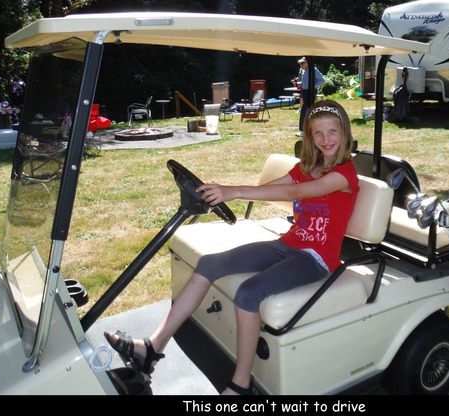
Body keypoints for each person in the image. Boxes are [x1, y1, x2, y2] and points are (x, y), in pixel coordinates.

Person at [104, 99, 359, 396]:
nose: (326, 139)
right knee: (210, 263)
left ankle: (241, 385)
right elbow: (272, 187)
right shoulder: (306, 167)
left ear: (344, 133)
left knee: (249, 293)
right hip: (288, 243)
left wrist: (233, 192)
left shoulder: (344, 175)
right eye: (318, 133)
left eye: (333, 131)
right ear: (310, 136)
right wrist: (222, 192)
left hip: (315, 258)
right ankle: (152, 348)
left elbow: (294, 191)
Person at [292, 57, 325, 137]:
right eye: (300, 64)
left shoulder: (313, 69)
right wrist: (297, 83)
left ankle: (303, 130)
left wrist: (312, 86)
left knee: (305, 109)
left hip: (311, 92)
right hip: (305, 92)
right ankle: (310, 129)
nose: (301, 65)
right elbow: (304, 83)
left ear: (307, 63)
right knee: (309, 109)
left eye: (302, 63)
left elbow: (322, 80)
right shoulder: (303, 71)